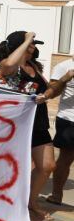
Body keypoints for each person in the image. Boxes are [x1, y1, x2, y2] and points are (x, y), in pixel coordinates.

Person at [0, 31, 55, 221]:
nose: (34, 47)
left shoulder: (33, 66)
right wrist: (27, 38)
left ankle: (31, 202)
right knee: (10, 168)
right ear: (20, 45)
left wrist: (48, 94)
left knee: (47, 165)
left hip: (38, 123)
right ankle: (5, 203)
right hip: (14, 126)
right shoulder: (7, 65)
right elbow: (9, 65)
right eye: (30, 44)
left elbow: (47, 89)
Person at [40, 58, 74, 207]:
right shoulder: (64, 66)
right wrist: (65, 78)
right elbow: (51, 92)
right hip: (69, 118)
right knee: (66, 159)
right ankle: (56, 194)